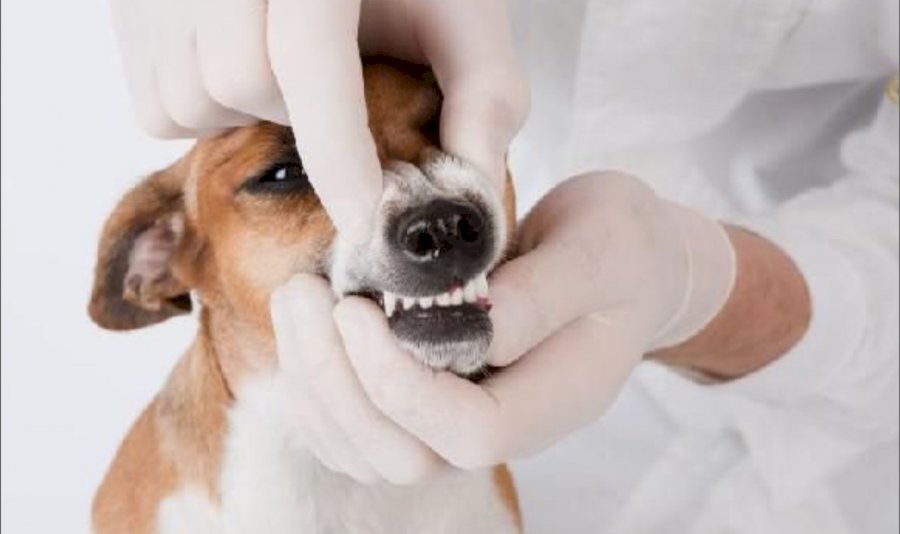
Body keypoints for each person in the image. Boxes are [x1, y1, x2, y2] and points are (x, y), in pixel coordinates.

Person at [111, 1, 899, 532]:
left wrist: (703, 285)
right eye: (285, 179)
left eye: (442, 129)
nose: (426, 214)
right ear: (161, 265)